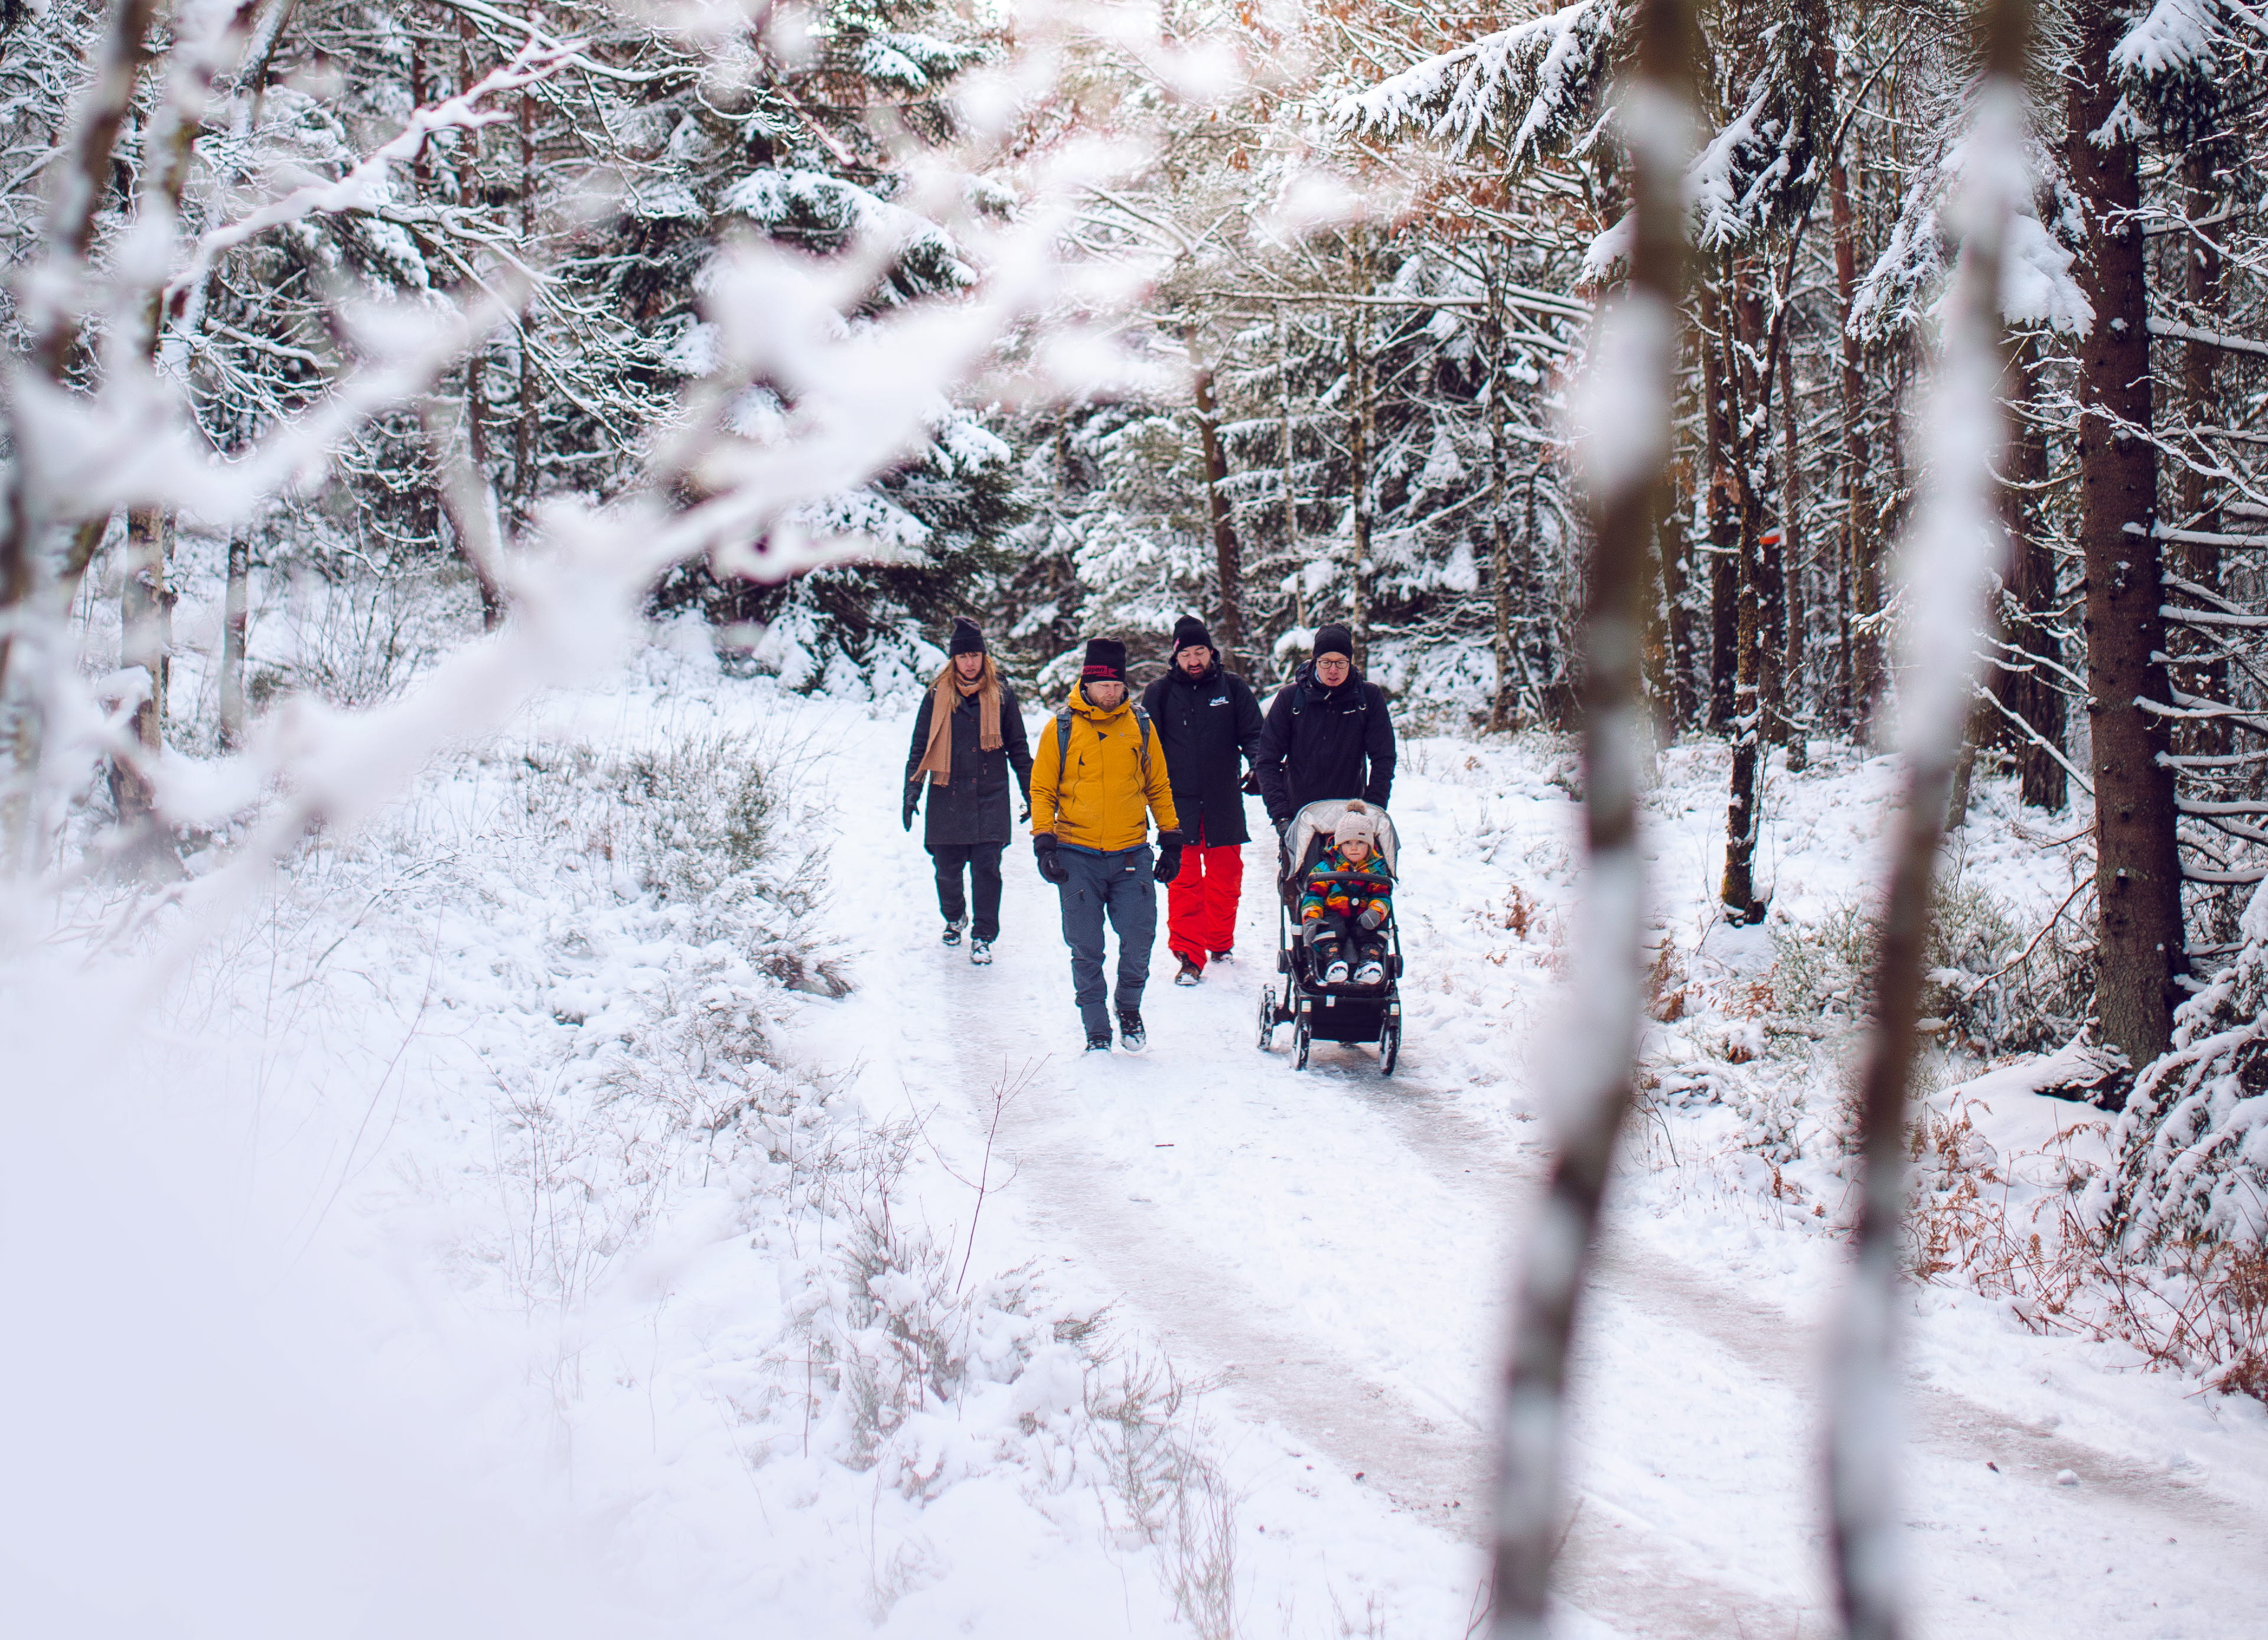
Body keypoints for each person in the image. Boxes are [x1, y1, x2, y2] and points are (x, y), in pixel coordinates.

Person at [1029, 637, 1182, 1052]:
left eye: (1117, 684)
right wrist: (1045, 842)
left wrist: (1171, 838)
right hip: (1076, 854)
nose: (1112, 692)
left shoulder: (1141, 725)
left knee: (1139, 938)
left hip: (1131, 851)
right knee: (1086, 947)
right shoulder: (1060, 728)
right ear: (1087, 683)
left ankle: (1128, 1008)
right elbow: (1042, 789)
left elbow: (1158, 784)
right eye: (1104, 685)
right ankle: (1096, 1029)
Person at [1139, 616, 1265, 986]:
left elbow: (1255, 735)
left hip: (1224, 800)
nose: (1194, 660)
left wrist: (1258, 767)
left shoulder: (1233, 687)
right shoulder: (1159, 693)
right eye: (1187, 654)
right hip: (1178, 807)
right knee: (1184, 880)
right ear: (1175, 657)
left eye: (1201, 652)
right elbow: (1147, 748)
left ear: (1212, 652)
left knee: (1227, 879)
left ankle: (1220, 941)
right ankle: (1189, 957)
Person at [903, 617, 1032, 965]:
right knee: (946, 871)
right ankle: (955, 917)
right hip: (947, 797)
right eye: (963, 657)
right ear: (954, 660)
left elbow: (1018, 747)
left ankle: (983, 937)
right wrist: (911, 792)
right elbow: (920, 746)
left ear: (984, 657)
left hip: (990, 797)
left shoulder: (1002, 694)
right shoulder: (936, 695)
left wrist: (1032, 792)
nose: (970, 663)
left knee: (988, 871)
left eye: (976, 655)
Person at [1252, 622, 1397, 839]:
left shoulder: (1368, 698)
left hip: (1352, 816)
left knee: (1353, 873)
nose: (1333, 670)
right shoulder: (1290, 698)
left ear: (1350, 662)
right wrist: (1281, 815)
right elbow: (1266, 761)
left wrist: (1373, 809)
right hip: (1299, 816)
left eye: (1341, 663)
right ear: (1314, 661)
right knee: (1302, 873)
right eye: (1326, 662)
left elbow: (1383, 758)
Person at [1296, 801, 1393, 989]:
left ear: (1370, 845)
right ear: (1339, 844)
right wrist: (1311, 919)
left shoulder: (1377, 871)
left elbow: (1382, 896)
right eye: (1348, 843)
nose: (1354, 848)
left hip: (1364, 918)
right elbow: (1314, 896)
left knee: (1374, 929)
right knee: (1328, 926)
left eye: (1360, 843)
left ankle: (1369, 964)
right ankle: (1333, 962)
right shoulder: (1325, 869)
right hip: (1333, 916)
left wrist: (1376, 911)